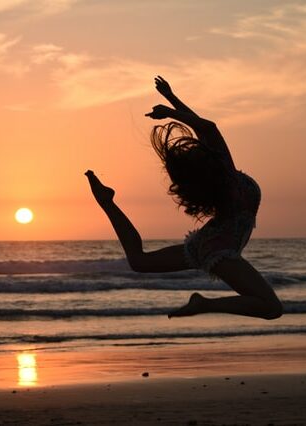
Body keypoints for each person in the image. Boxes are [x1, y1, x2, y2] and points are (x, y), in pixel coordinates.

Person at [85, 76, 282, 320]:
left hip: (208, 242)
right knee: (272, 308)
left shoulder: (223, 176)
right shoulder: (228, 178)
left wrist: (171, 99)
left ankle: (107, 202)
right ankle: (204, 304)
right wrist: (170, 108)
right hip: (219, 250)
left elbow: (203, 128)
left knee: (139, 261)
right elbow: (207, 127)